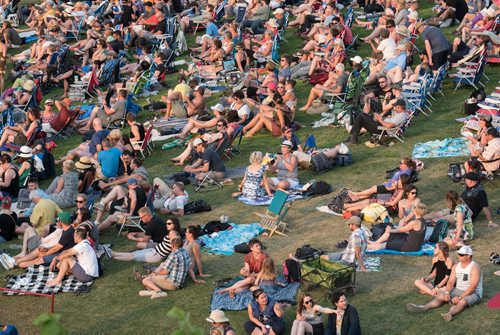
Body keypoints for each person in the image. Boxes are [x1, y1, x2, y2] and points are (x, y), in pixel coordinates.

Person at [407, 245, 483, 322]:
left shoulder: (475, 267)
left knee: (462, 301)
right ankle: (423, 307)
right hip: (458, 289)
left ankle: (449, 314)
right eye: (458, 254)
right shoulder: (456, 266)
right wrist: (447, 292)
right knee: (441, 295)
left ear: (469, 256)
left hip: (473, 293)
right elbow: (450, 281)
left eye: (461, 255)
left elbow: (473, 287)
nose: (459, 256)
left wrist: (459, 297)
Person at [111, 218, 181, 263]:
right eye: (166, 223)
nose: (167, 225)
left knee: (132, 256)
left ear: (175, 224)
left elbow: (175, 243)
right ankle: (112, 254)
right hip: (154, 250)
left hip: (156, 255)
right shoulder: (173, 232)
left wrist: (171, 258)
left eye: (169, 224)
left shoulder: (173, 233)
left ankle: (113, 255)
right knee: (133, 254)